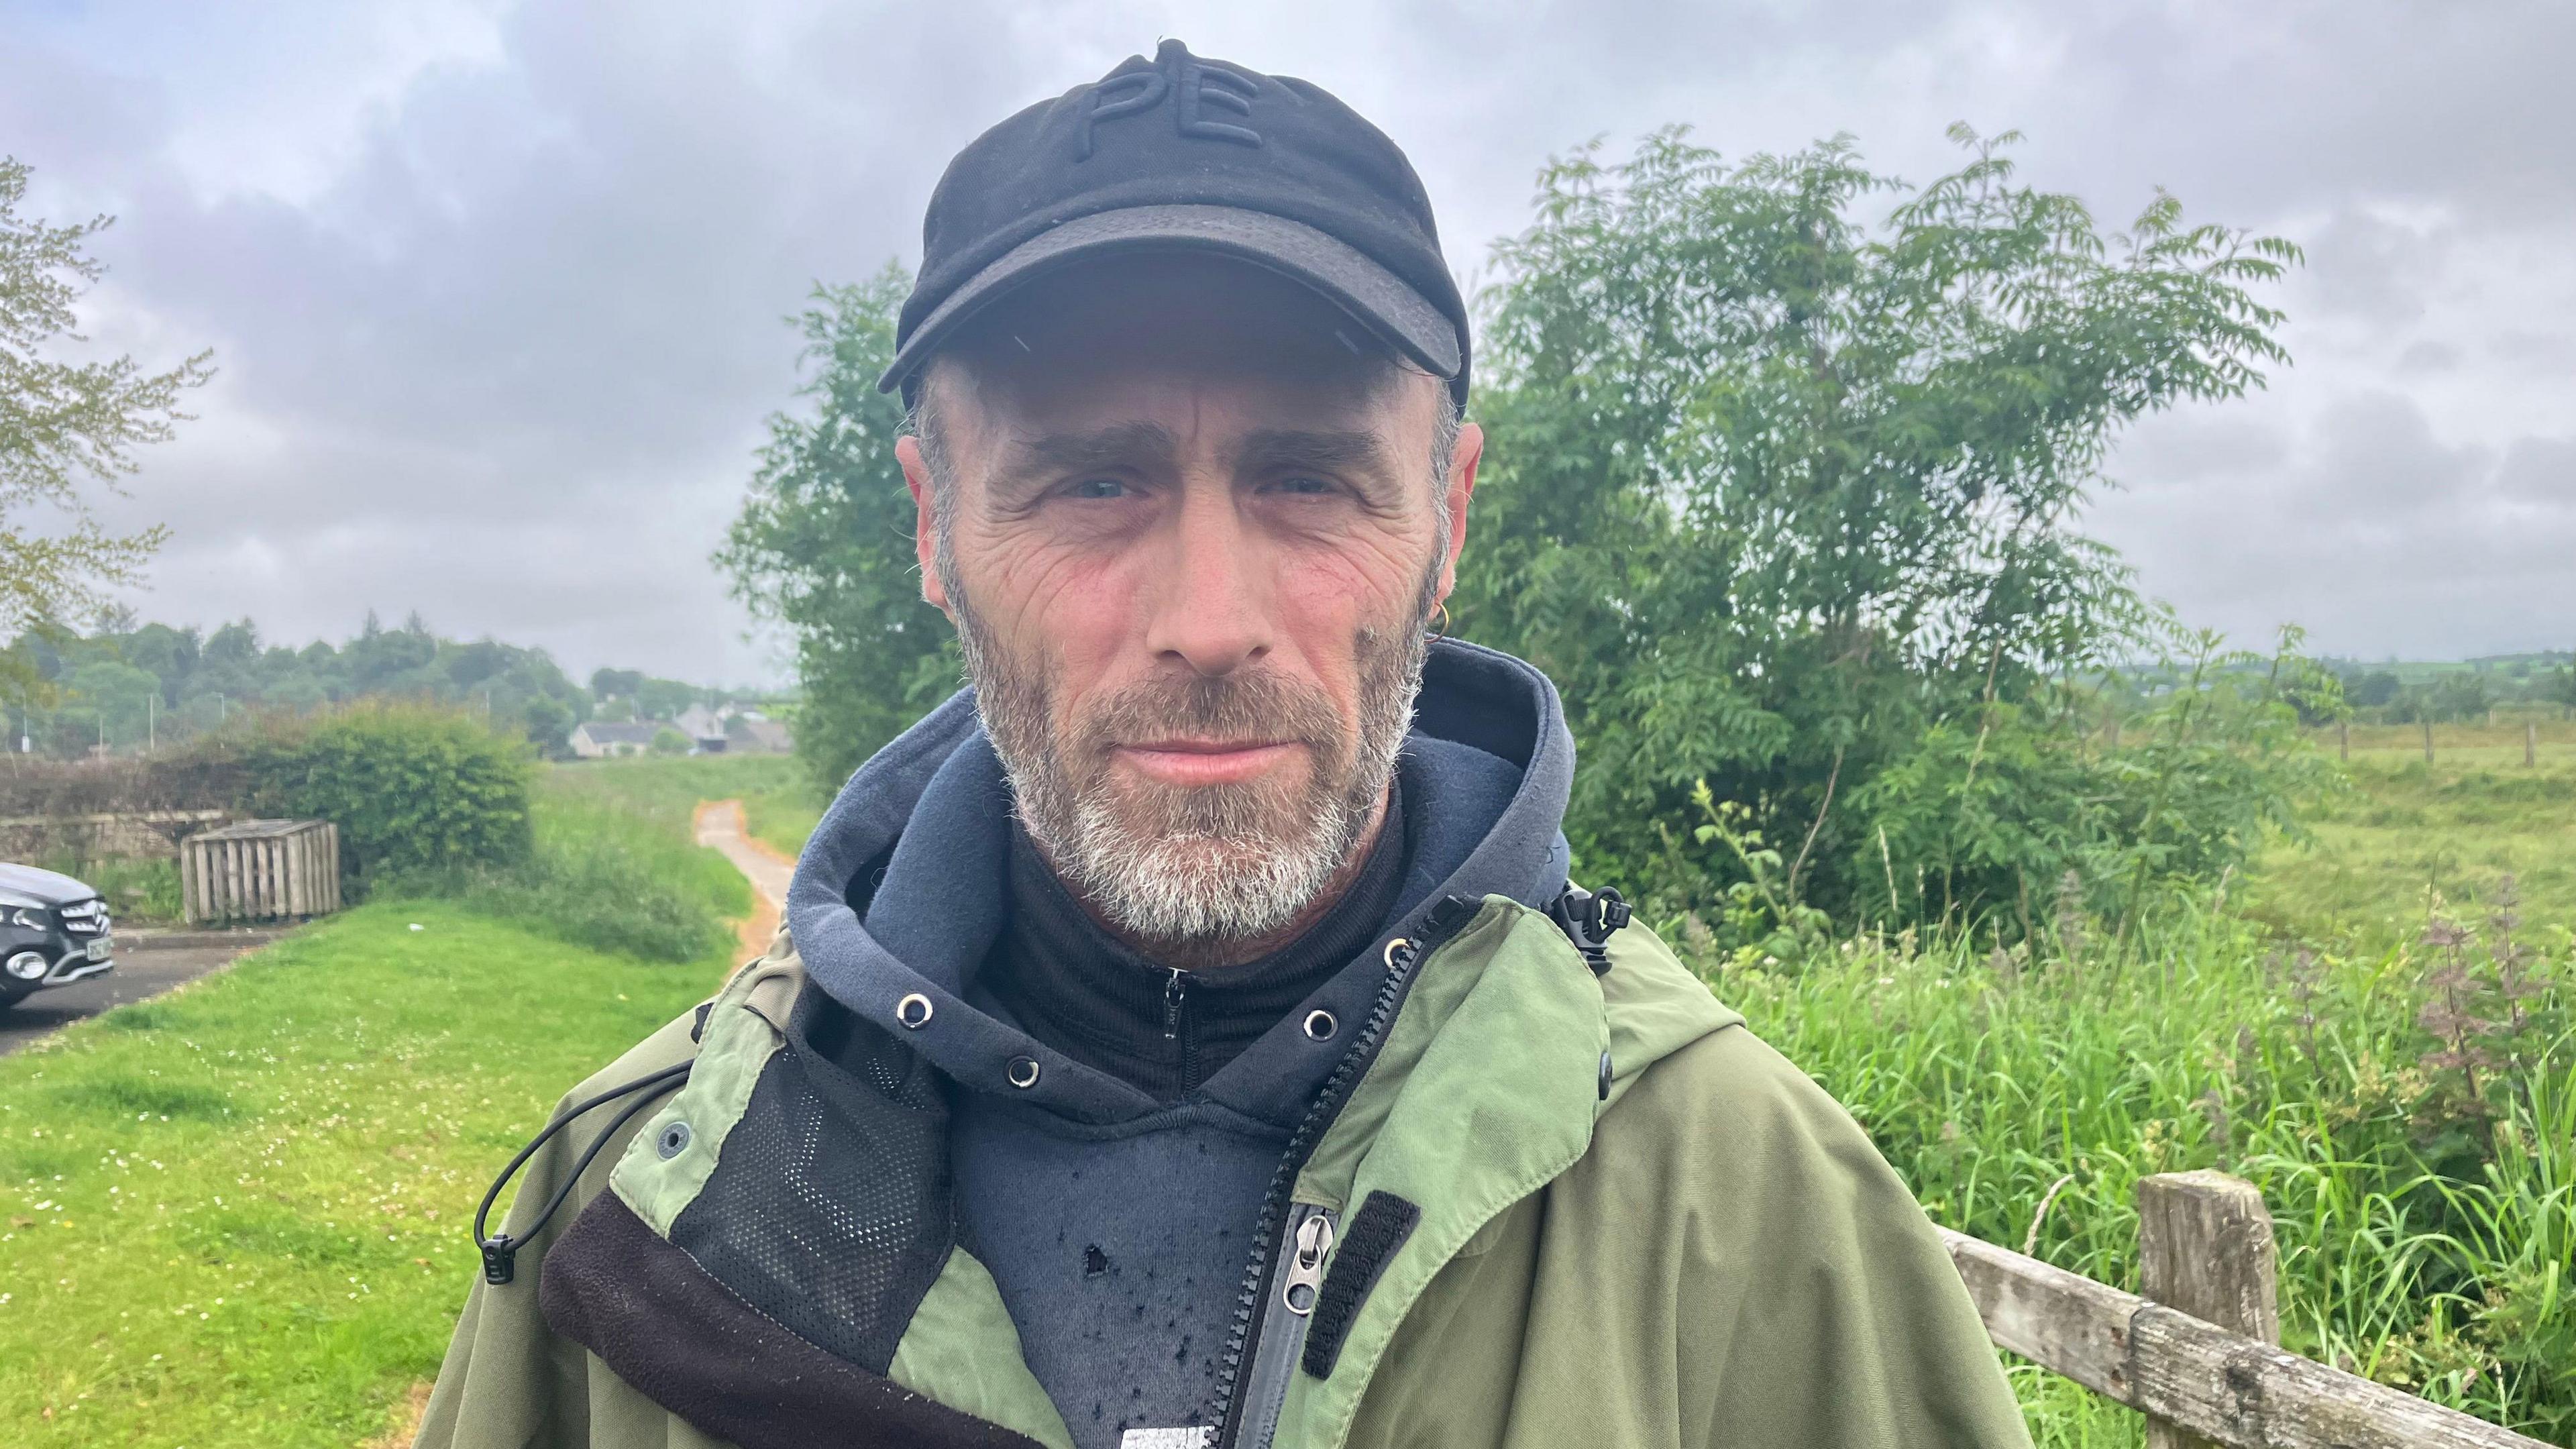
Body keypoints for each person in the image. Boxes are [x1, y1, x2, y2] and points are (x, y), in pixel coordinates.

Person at [418, 40, 2033, 1449]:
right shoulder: (643, 1206)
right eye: (1091, 482)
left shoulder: (1746, 1205)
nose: (1206, 616)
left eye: (1310, 479)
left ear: (1448, 515)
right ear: (934, 524)